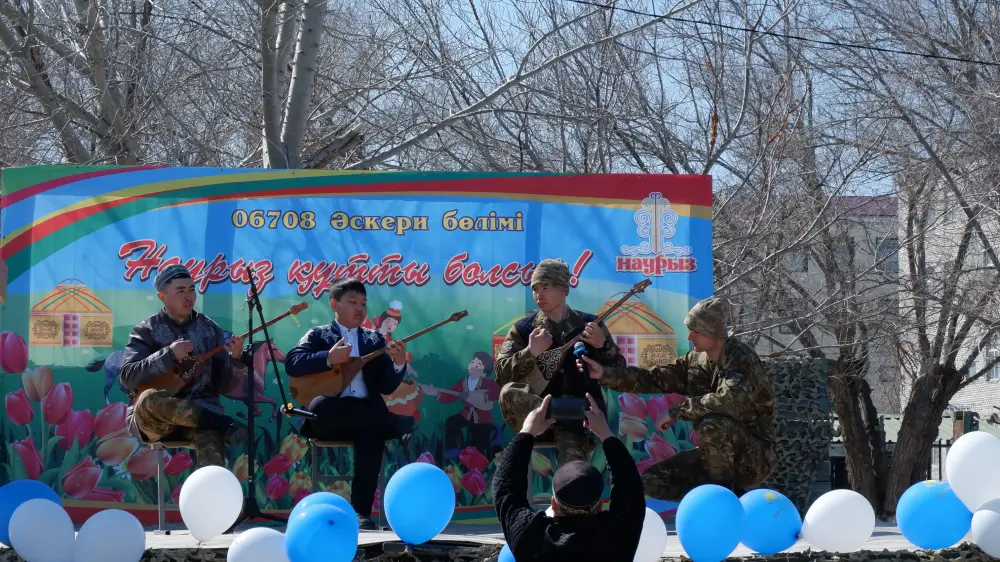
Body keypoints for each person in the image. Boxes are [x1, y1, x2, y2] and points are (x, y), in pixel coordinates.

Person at [577, 296, 777, 502]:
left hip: (754, 457)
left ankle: (723, 502)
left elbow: (729, 400)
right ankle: (708, 501)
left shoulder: (741, 358)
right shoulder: (695, 360)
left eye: (696, 330)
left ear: (713, 331)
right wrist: (603, 373)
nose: (689, 336)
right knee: (650, 481)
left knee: (712, 424)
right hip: (715, 457)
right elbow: (651, 379)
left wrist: (676, 412)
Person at [284, 277, 413, 530]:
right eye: (352, 302)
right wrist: (327, 358)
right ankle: (396, 424)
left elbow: (386, 386)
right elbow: (292, 361)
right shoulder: (320, 335)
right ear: (334, 304)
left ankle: (361, 515)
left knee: (371, 431)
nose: (359, 308)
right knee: (320, 406)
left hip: (365, 418)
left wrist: (398, 363)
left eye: (363, 303)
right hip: (331, 419)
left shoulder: (374, 340)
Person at [495, 258, 625, 465]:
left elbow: (620, 372)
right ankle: (559, 411)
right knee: (509, 392)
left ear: (563, 289)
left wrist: (602, 345)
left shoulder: (591, 325)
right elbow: (501, 375)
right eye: (535, 289)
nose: (539, 295)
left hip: (581, 421)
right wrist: (530, 352)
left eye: (545, 287)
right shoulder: (524, 329)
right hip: (538, 420)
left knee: (574, 481)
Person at [118, 264, 248, 470]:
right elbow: (127, 376)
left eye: (191, 289)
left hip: (201, 419)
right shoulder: (145, 331)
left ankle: (211, 498)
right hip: (157, 422)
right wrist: (168, 355)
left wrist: (235, 358)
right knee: (148, 398)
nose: (188, 296)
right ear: (162, 297)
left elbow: (223, 386)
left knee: (211, 448)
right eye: (180, 291)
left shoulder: (209, 328)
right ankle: (220, 422)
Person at [492, 393, 645, 561]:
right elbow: (631, 490)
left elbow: (505, 489)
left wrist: (527, 431)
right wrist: (606, 434)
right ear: (600, 505)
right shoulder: (618, 539)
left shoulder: (530, 538)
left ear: (553, 504)